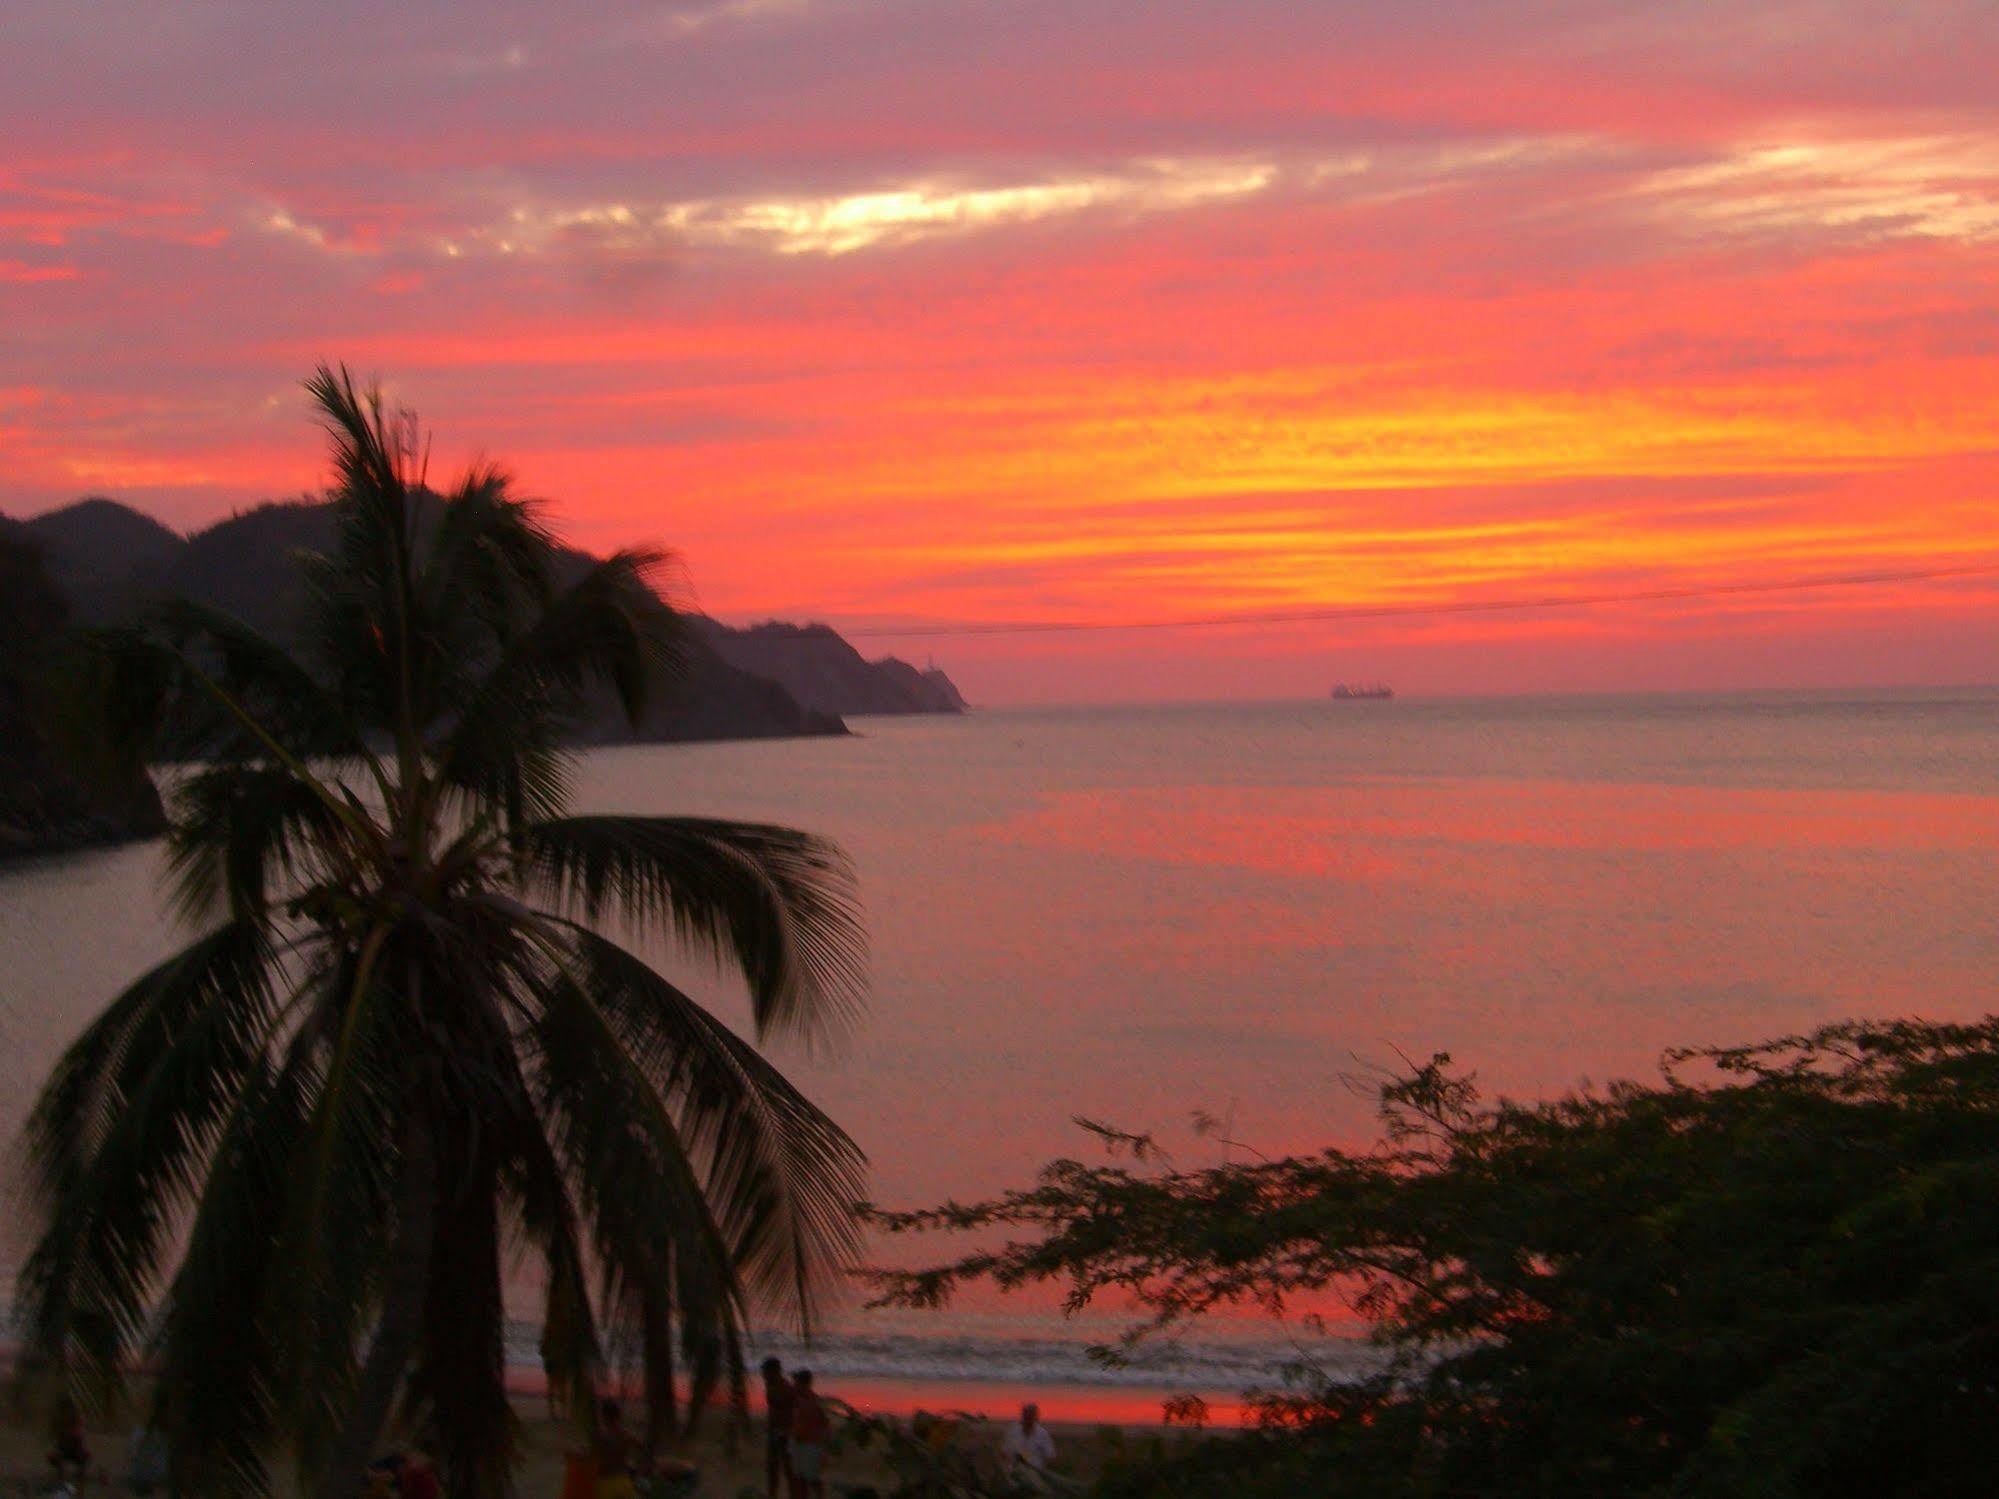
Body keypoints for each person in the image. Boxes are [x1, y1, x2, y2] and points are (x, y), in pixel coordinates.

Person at [788, 1369, 831, 1499]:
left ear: (804, 1384)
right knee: (799, 1478)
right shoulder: (797, 1401)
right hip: (799, 1443)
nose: (794, 1385)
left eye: (797, 1383)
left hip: (811, 1445)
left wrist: (823, 1448)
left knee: (812, 1479)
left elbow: (826, 1425)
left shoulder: (815, 1402)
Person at [1001, 1403, 1059, 1491]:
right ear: (1022, 1416)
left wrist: (1043, 1475)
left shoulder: (1042, 1434)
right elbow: (1004, 1453)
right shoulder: (1013, 1432)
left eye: (1031, 1415)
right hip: (1014, 1477)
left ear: (1036, 1417)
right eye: (1026, 1415)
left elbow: (1050, 1456)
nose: (1028, 1418)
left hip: (1035, 1478)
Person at [761, 1356, 796, 1499]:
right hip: (775, 1431)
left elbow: (790, 1411)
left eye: (765, 1372)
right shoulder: (770, 1384)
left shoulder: (785, 1388)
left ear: (774, 1372)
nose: (763, 1375)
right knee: (772, 1469)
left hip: (785, 1432)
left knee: (788, 1469)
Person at [594, 1399, 638, 1499]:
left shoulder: (601, 1436)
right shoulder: (627, 1435)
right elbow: (641, 1449)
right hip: (623, 1480)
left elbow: (594, 1456)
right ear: (619, 1415)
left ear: (603, 1416)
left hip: (606, 1481)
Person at [47, 1396, 88, 1490]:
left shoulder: (77, 1420)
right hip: (64, 1449)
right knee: (55, 1457)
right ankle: (62, 1478)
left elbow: (79, 1437)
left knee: (83, 1456)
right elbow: (56, 1438)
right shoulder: (59, 1421)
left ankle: (79, 1479)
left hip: (75, 1450)